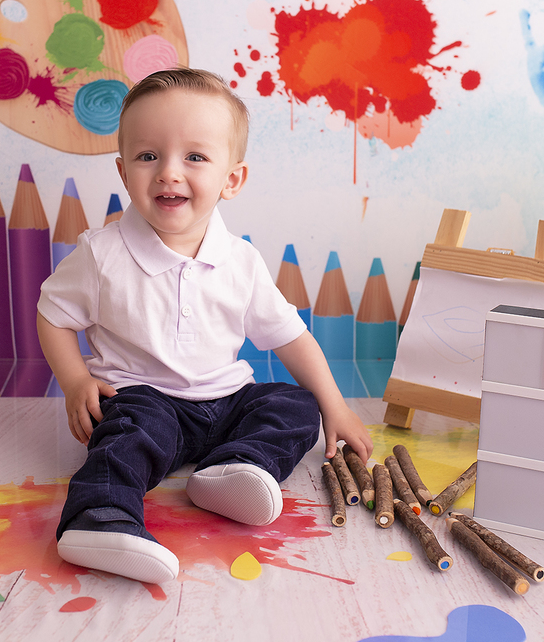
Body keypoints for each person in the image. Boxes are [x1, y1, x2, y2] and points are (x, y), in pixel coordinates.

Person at [37, 68, 373, 584]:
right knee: (128, 435)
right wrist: (76, 380)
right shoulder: (102, 254)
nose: (169, 173)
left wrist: (337, 409)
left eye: (194, 157)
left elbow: (291, 337)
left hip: (225, 404)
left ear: (231, 179)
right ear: (124, 172)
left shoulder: (239, 260)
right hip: (142, 400)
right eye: (149, 156)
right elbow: (53, 315)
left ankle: (235, 470)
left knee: (294, 404)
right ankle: (98, 519)